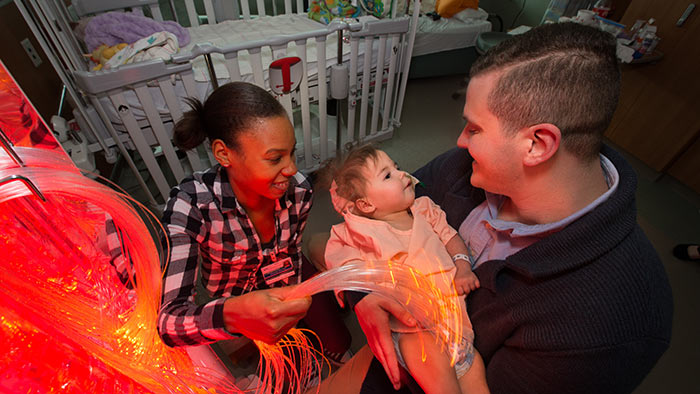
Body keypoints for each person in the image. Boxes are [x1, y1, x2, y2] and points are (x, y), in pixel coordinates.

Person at [331, 22, 673, 394]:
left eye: (474, 129)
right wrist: (362, 290)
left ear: (537, 144)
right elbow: (370, 224)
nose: (460, 142)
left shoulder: (607, 322)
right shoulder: (463, 170)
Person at [156, 82, 351, 370]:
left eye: (291, 153)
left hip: (289, 275)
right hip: (238, 295)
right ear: (224, 154)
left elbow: (292, 250)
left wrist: (296, 289)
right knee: (290, 365)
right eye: (274, 158)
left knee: (339, 344)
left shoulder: (299, 191)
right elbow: (169, 321)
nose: (293, 170)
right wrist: (233, 315)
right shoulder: (191, 206)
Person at [321, 144, 486, 394]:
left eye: (396, 167)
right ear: (365, 205)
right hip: (414, 333)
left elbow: (450, 237)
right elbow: (343, 265)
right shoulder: (360, 234)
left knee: (476, 377)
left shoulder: (424, 209)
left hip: (458, 331)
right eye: (387, 175)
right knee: (430, 358)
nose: (402, 174)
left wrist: (463, 265)